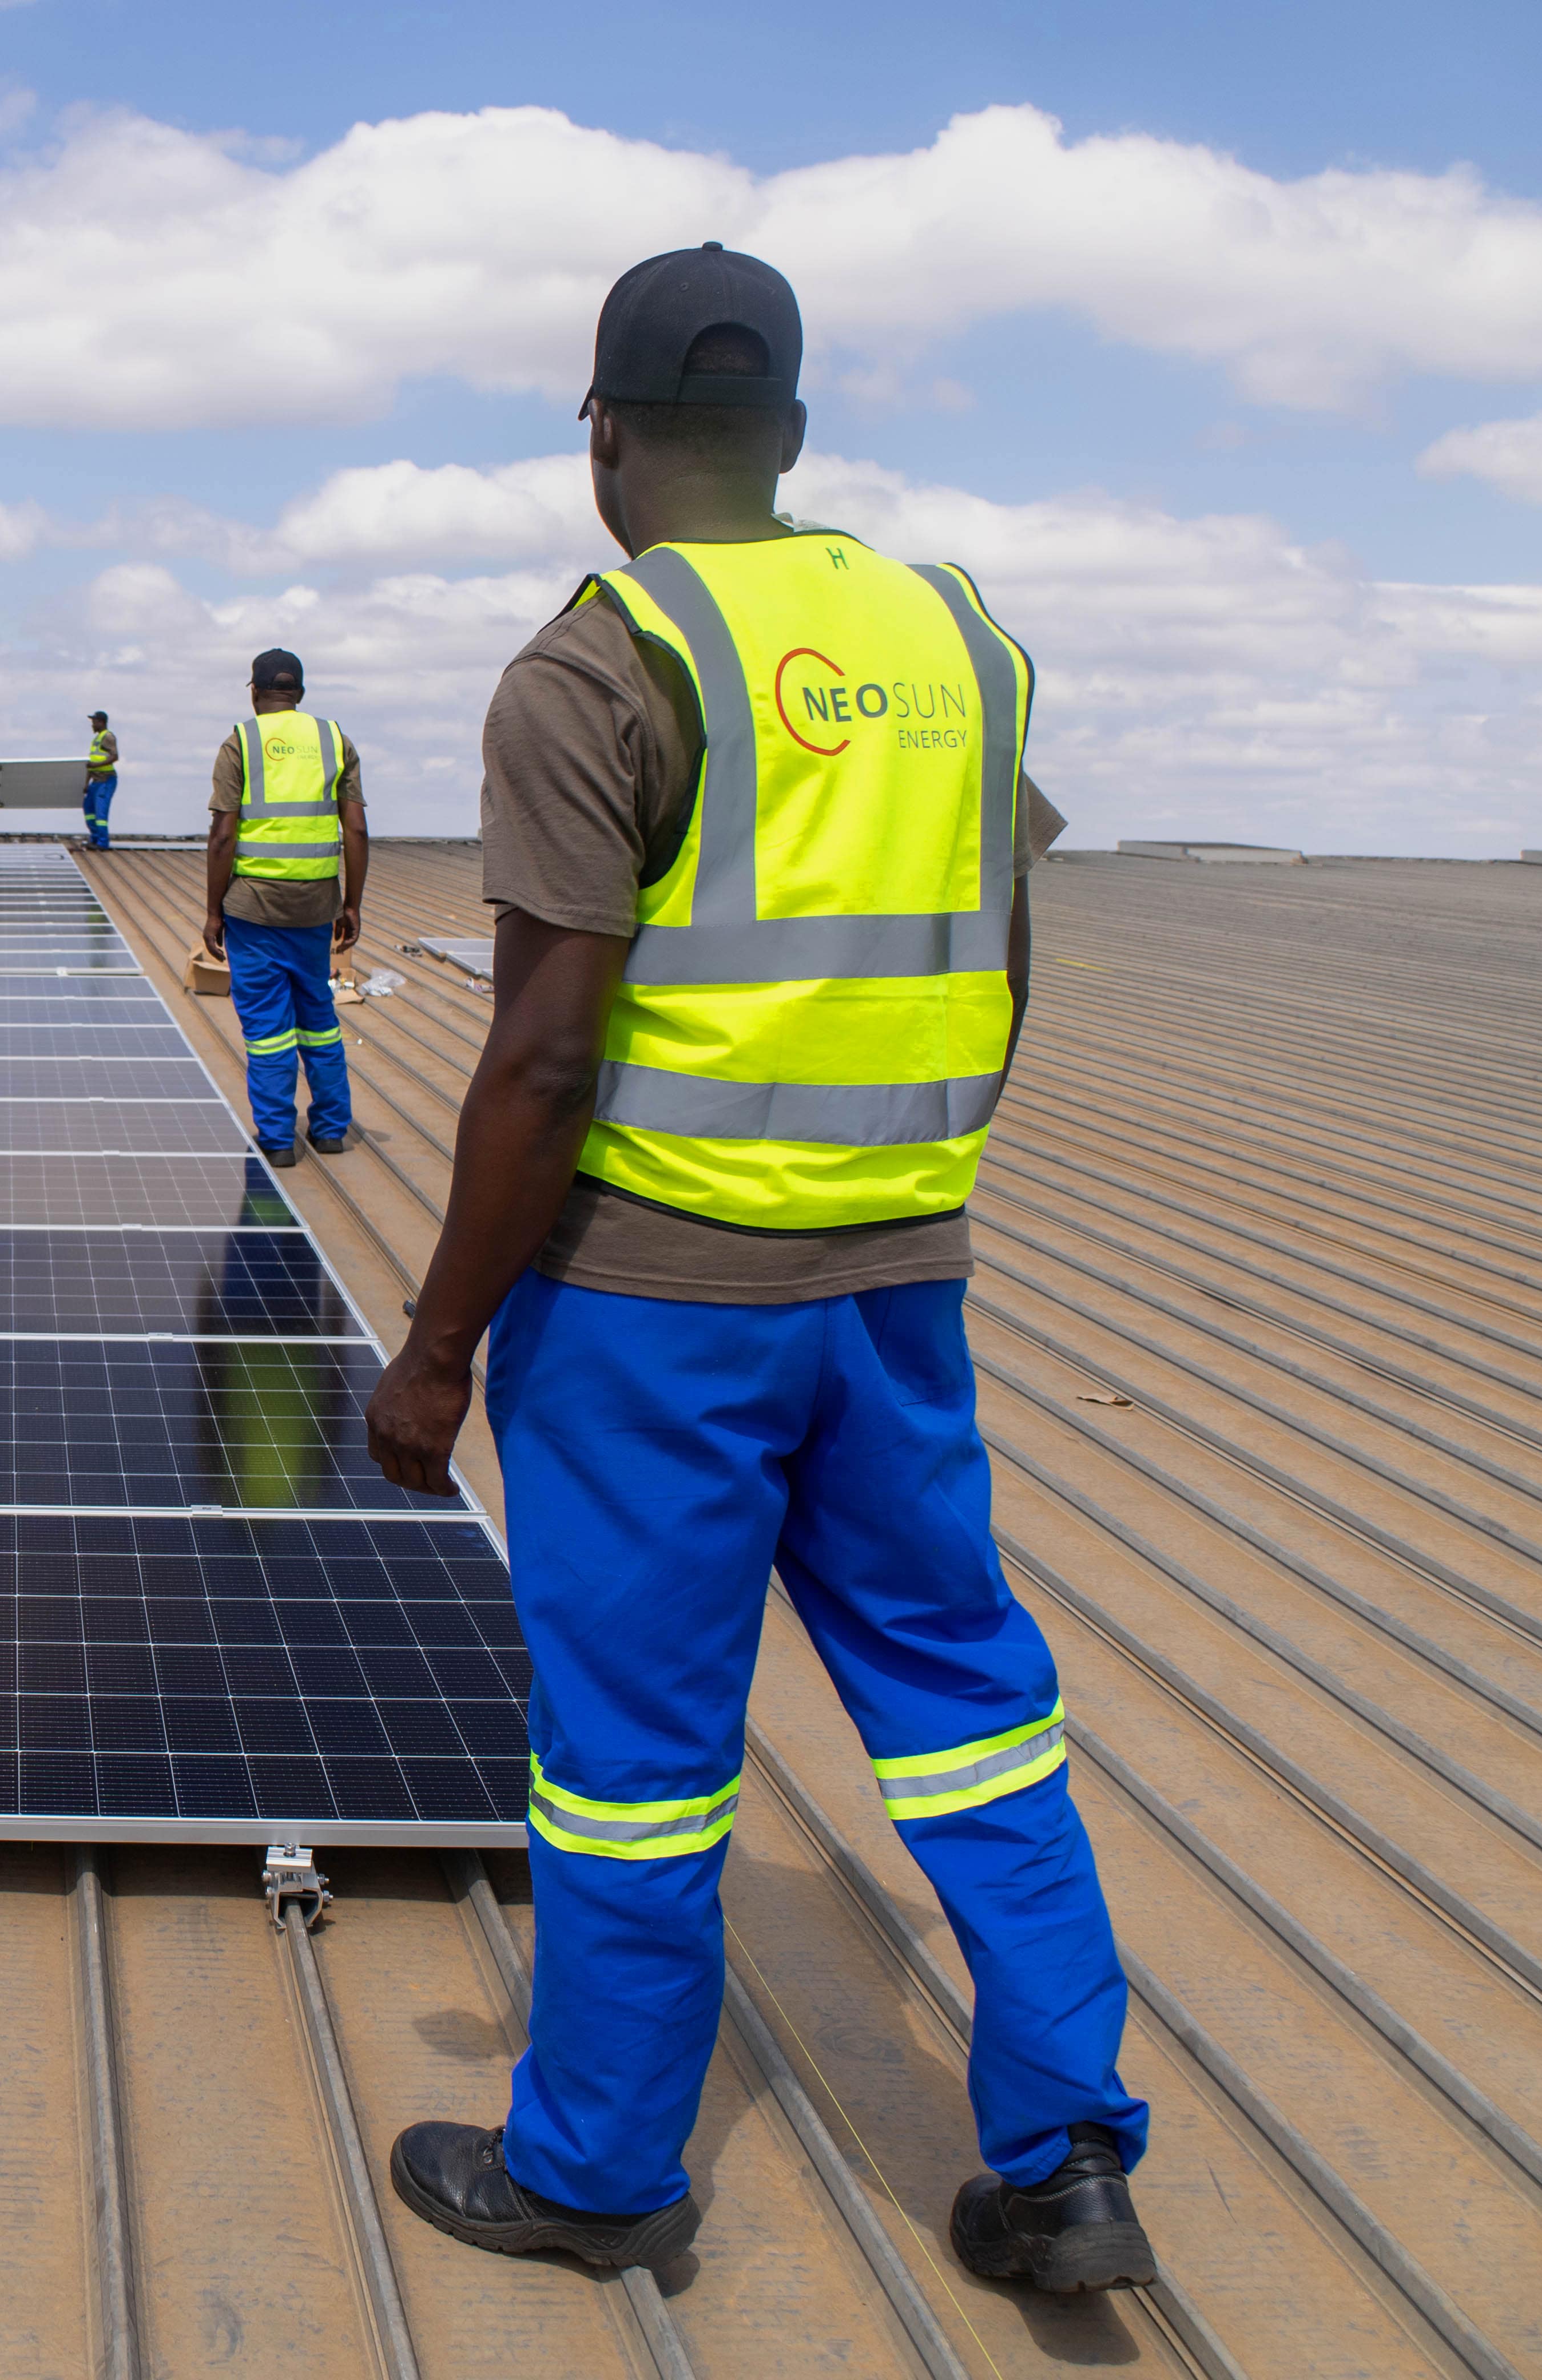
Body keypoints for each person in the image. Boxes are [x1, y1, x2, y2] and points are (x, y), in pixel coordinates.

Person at [365, 243, 1155, 2299]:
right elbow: (997, 947)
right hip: (898, 1284)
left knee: (633, 1759)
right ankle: (1064, 2152)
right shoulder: (958, 639)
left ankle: (606, 2172)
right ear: (791, 436)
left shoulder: (598, 660)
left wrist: (438, 1344)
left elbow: (543, 1049)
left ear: (601, 437)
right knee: (971, 1709)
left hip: (650, 1309)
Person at [204, 649, 365, 1168]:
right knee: (318, 1014)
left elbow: (224, 835)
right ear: (300, 692)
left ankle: (277, 1139)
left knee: (268, 1026)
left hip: (254, 909)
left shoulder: (241, 742)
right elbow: (356, 829)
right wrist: (352, 903)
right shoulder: (334, 740)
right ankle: (331, 1130)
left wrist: (213, 911)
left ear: (254, 691)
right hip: (316, 907)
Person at [83, 709, 120, 850]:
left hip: (106, 780)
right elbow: (91, 764)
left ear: (101, 723)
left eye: (94, 722)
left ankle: (102, 843)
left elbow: (115, 756)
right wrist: (87, 783)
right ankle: (95, 838)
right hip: (96, 781)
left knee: (100, 813)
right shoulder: (96, 740)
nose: (92, 725)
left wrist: (96, 765)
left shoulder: (108, 737)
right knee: (89, 810)